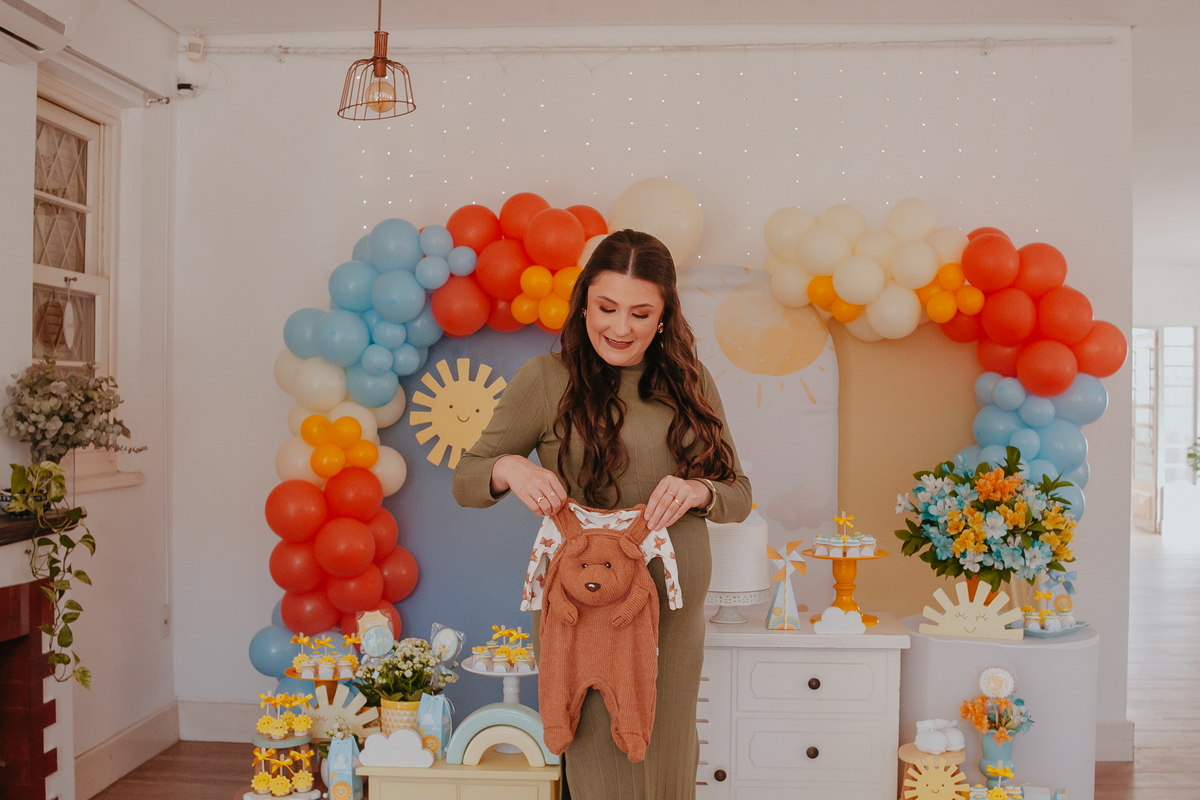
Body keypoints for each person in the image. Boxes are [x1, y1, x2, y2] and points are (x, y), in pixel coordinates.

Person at [452, 229, 751, 800]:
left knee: (663, 740)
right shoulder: (545, 381)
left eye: (641, 313)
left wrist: (697, 492)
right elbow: (468, 480)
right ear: (583, 302)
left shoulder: (691, 383)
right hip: (579, 603)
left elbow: (737, 492)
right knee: (593, 740)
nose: (620, 327)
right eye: (606, 307)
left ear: (664, 316)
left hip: (670, 596)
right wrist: (512, 467)